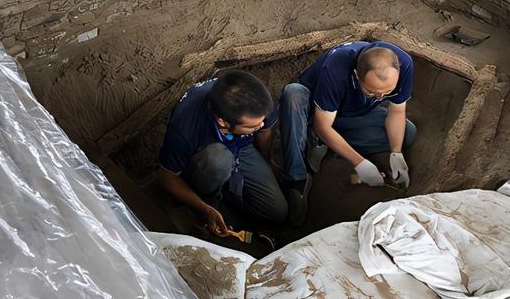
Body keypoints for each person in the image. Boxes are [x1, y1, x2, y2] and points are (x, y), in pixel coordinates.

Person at [279, 41, 417, 226]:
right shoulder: (336, 66)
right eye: (372, 91)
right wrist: (359, 163)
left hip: (351, 114)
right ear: (355, 75)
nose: (380, 98)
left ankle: (328, 144)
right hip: (316, 113)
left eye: (387, 92)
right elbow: (323, 124)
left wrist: (396, 152)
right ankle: (297, 180)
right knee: (293, 93)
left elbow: (397, 111)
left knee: (408, 132)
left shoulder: (405, 64)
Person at [157, 70, 288, 237]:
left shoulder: (256, 104)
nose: (260, 125)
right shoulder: (186, 129)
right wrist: (204, 208)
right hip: (205, 159)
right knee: (217, 159)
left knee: (277, 211)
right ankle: (206, 200)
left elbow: (265, 130)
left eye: (261, 121)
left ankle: (227, 197)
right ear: (222, 122)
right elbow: (166, 177)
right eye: (251, 127)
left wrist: (266, 164)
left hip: (241, 147)